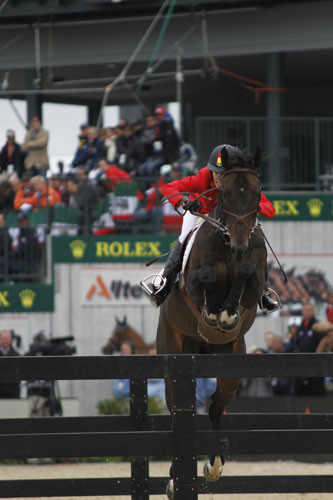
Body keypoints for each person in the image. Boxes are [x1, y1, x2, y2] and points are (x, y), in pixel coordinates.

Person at [141, 144, 280, 313]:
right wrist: (184, 201)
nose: (218, 178)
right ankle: (164, 280)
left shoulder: (238, 183)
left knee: (256, 236)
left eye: (223, 175)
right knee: (185, 237)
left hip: (229, 218)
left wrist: (254, 207)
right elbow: (168, 188)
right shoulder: (202, 178)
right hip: (201, 213)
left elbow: (270, 209)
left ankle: (263, 293)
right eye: (216, 173)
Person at [284, 302, 326, 396]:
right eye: (305, 310)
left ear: (313, 311)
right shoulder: (300, 327)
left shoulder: (317, 326)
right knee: (300, 393)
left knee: (315, 393)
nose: (307, 312)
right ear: (302, 312)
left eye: (309, 310)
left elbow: (321, 345)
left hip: (315, 366)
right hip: (301, 366)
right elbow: (294, 344)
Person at [0, 330, 21, 398]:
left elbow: (19, 373)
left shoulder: (17, 355)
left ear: (11, 340)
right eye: (3, 338)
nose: (5, 340)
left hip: (13, 389)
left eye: (7, 338)